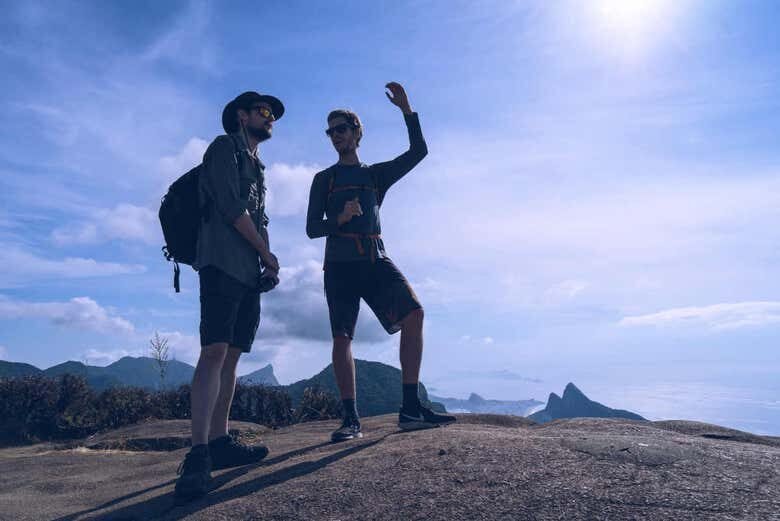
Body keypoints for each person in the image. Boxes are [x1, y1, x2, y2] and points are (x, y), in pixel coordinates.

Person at [306, 82, 456, 442]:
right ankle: (349, 420)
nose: (335, 136)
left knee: (414, 314)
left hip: (375, 258)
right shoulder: (323, 180)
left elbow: (418, 151)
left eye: (341, 129)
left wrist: (407, 111)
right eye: (330, 132)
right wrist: (339, 220)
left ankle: (409, 408)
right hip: (340, 266)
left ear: (357, 133)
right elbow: (312, 229)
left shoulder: (375, 175)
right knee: (342, 337)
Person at [174, 91, 283, 501]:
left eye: (272, 114)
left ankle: (219, 442)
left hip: (248, 271)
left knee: (233, 354)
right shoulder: (223, 148)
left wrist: (267, 262)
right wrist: (264, 251)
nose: (270, 118)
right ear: (242, 116)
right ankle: (199, 453)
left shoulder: (258, 165)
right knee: (214, 351)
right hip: (220, 262)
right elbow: (231, 207)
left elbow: (259, 217)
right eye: (264, 111)